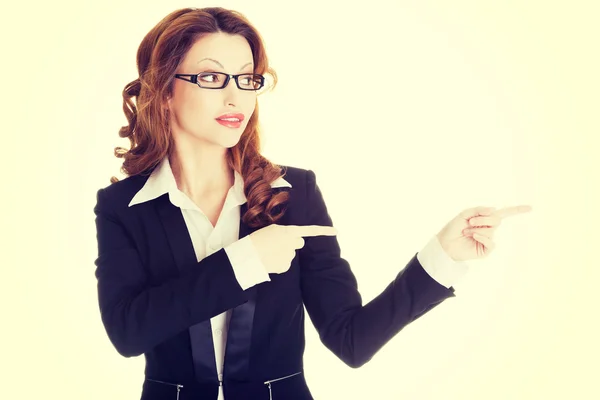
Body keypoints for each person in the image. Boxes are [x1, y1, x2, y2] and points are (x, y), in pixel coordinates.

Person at [92, 6, 532, 400]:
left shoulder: (293, 193)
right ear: (165, 90)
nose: (235, 97)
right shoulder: (122, 207)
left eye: (246, 78)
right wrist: (245, 260)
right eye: (211, 77)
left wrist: (443, 256)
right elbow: (128, 333)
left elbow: (351, 340)